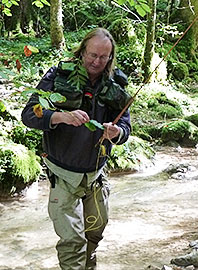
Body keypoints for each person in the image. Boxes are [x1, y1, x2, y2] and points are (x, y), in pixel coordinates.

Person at [21, 28, 131, 270]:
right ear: (82, 51)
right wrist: (60, 116)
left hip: (95, 175)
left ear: (110, 57)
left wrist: (116, 133)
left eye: (104, 58)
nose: (97, 62)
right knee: (72, 241)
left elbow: (125, 126)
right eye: (92, 55)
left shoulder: (115, 83)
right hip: (62, 176)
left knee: (94, 234)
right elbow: (29, 115)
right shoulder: (58, 75)